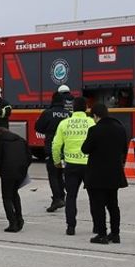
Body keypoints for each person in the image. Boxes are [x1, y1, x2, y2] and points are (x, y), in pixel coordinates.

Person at [80, 102, 128, 244]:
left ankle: (101, 234)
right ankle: (115, 234)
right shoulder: (120, 128)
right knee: (113, 205)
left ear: (95, 115)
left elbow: (85, 149)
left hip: (97, 175)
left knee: (98, 205)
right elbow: (124, 149)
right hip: (114, 173)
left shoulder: (95, 130)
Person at [51, 97, 94, 236]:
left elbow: (56, 145)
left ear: (73, 108)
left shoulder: (64, 123)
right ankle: (97, 226)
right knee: (94, 197)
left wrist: (57, 161)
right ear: (86, 108)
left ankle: (71, 227)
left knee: (71, 197)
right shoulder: (91, 122)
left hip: (71, 165)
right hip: (89, 165)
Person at [34, 90, 71, 212]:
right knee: (60, 174)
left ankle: (57, 199)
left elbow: (38, 127)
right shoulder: (68, 114)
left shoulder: (48, 113)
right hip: (66, 150)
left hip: (52, 148)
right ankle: (62, 196)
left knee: (53, 175)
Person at [0, 126, 30, 233]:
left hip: (7, 172)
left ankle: (12, 223)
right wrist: (24, 169)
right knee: (14, 194)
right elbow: (29, 157)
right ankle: (19, 218)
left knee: (6, 197)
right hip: (20, 171)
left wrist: (0, 172)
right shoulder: (21, 140)